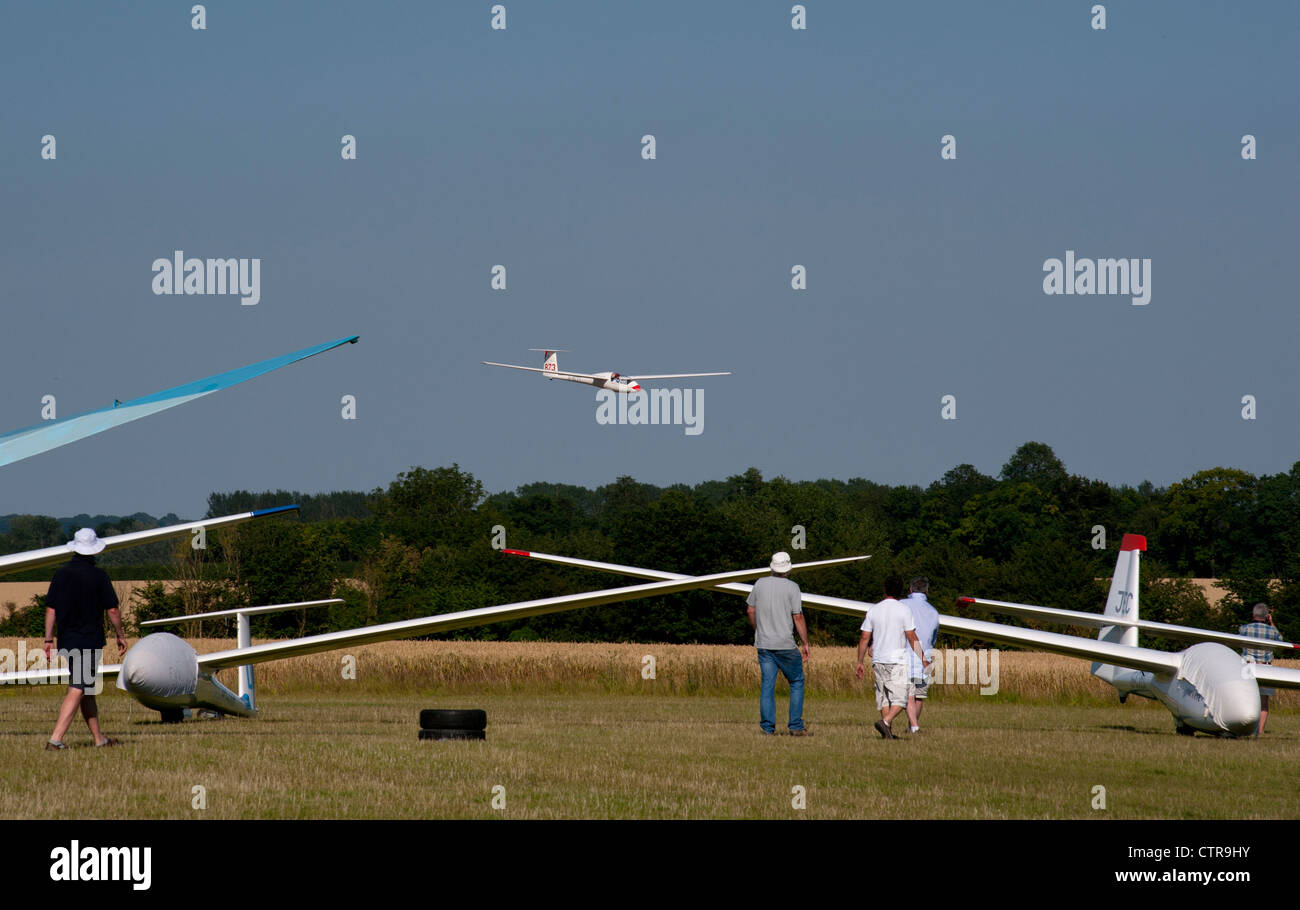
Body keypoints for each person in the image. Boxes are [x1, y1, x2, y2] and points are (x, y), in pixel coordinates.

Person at [43, 528, 127, 750]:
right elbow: (113, 611)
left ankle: (99, 739)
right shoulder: (99, 576)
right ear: (93, 550)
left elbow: (51, 609)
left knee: (87, 688)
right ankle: (55, 739)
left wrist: (48, 639)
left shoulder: (60, 574)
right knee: (79, 686)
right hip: (89, 640)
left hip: (67, 640)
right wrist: (120, 635)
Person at [746, 551, 812, 736]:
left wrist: (757, 630)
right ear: (788, 568)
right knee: (796, 681)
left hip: (763, 644)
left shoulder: (759, 584)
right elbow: (797, 617)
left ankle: (768, 728)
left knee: (768, 684)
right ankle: (796, 726)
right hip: (785, 644)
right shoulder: (793, 587)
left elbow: (750, 610)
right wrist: (805, 642)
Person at [856, 574, 928, 739]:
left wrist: (859, 661)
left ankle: (887, 733)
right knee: (901, 699)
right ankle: (886, 722)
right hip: (896, 660)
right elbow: (911, 637)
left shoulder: (874, 609)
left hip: (878, 660)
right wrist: (923, 658)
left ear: (884, 590)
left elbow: (864, 638)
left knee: (885, 698)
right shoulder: (904, 610)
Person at [1239, 602, 1285, 738]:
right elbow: (1280, 639)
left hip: (1247, 666)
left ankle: (1244, 726)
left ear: (1253, 615)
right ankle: (1260, 730)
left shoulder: (1244, 629)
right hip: (1265, 667)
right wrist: (1272, 623)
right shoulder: (1272, 631)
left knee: (1245, 697)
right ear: (1267, 616)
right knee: (1263, 701)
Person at [903, 576, 940, 733]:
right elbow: (934, 636)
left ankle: (913, 726)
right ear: (927, 591)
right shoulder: (933, 611)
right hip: (926, 656)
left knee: (908, 695)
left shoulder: (902, 605)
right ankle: (912, 725)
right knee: (919, 696)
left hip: (905, 655)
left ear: (910, 589)